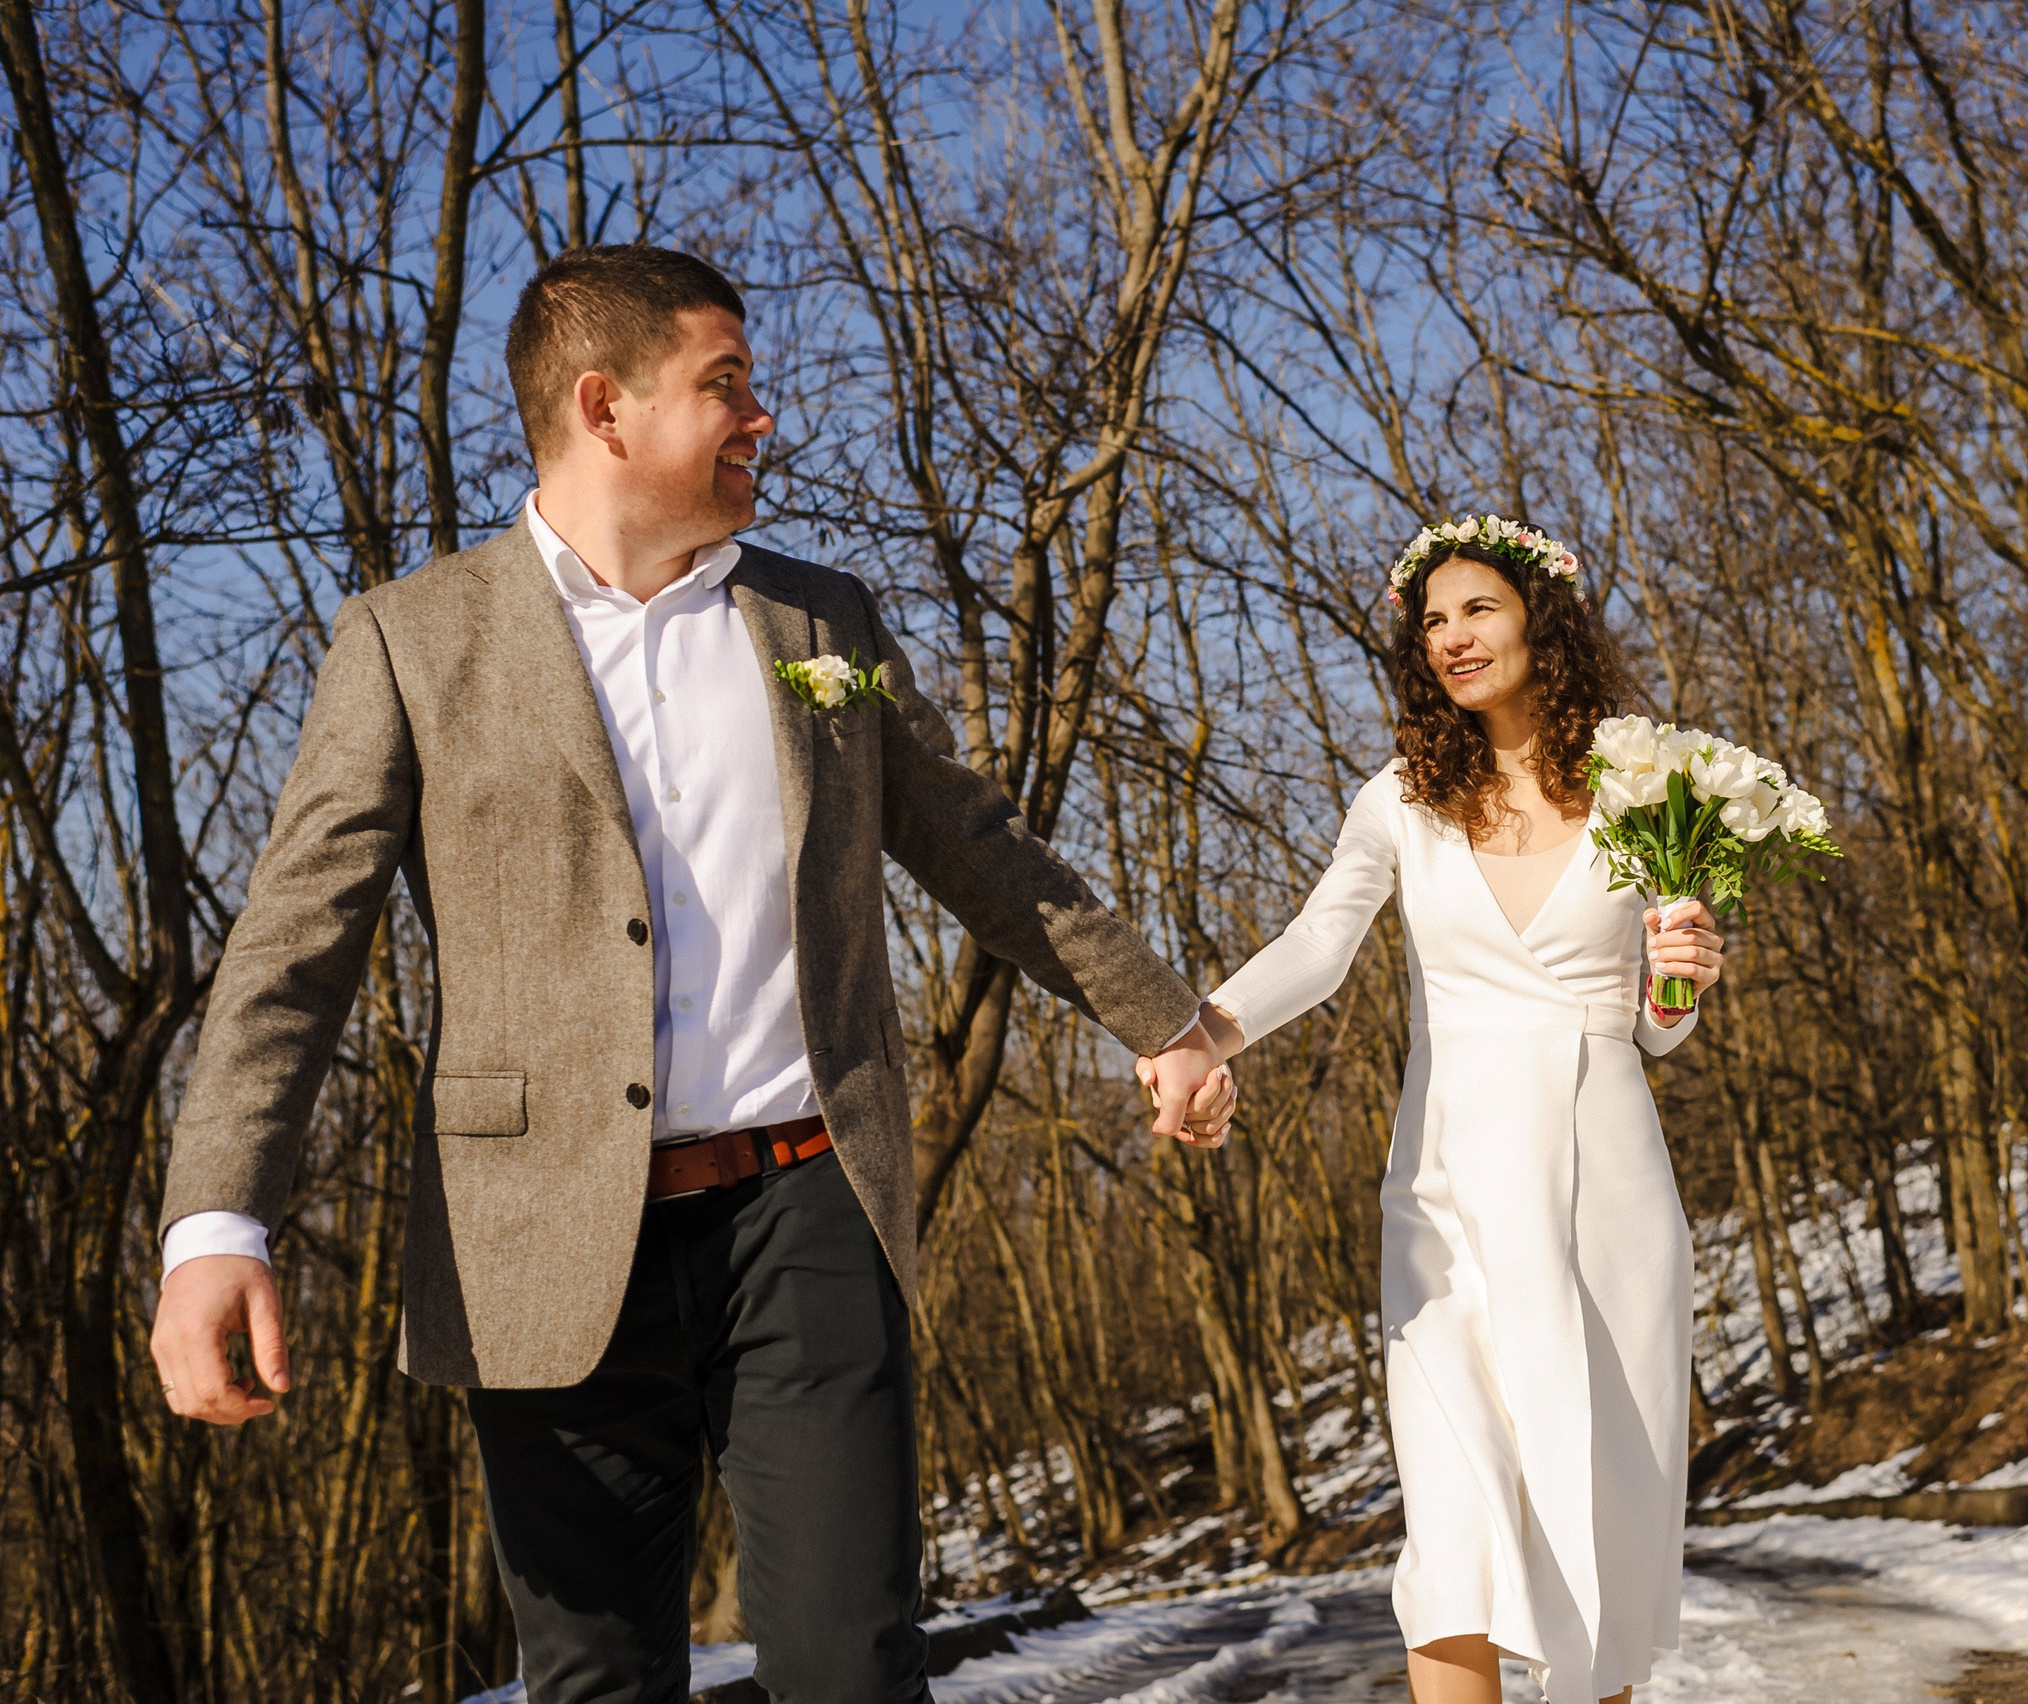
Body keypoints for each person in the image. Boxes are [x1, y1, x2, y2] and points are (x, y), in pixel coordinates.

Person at [148, 243, 1235, 1704]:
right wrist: (219, 1220)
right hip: (539, 1243)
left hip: (809, 1203)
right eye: (725, 384)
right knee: (596, 1681)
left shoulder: (818, 621)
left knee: (852, 1671)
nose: (760, 415)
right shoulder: (412, 639)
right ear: (604, 407)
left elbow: (973, 843)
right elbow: (293, 943)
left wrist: (1156, 1014)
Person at [1140, 520, 1720, 1704]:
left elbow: (1658, 1023)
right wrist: (1199, 1034)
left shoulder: (1644, 791)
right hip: (1451, 1179)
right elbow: (1318, 945)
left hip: (1606, 1182)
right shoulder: (1402, 798)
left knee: (1595, 1494)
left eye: (1477, 611)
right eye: (1433, 622)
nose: (1452, 638)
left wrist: (1680, 971)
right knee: (1452, 1512)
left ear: (1538, 620)